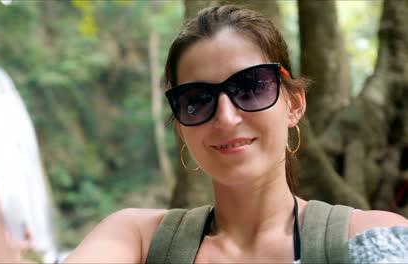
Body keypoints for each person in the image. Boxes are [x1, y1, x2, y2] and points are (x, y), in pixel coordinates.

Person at [64, 5, 408, 263]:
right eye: (197, 100)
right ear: (182, 128)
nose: (226, 118)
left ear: (294, 105)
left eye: (251, 86)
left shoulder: (370, 239)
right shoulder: (136, 240)